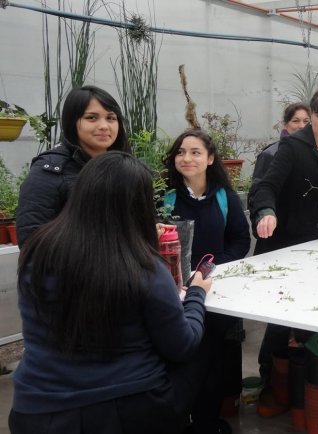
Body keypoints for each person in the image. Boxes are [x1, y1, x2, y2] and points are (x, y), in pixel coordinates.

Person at [10, 151, 212, 434]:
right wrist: (196, 295)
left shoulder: (38, 251)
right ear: (138, 206)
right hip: (126, 411)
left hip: (36, 410)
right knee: (203, 338)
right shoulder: (142, 265)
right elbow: (182, 345)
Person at [250, 87, 318, 417]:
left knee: (316, 318)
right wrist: (266, 211)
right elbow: (266, 185)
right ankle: (273, 382)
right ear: (313, 114)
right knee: (283, 318)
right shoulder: (293, 147)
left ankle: (308, 392)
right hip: (290, 247)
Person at [162, 129, 250, 433]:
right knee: (181, 362)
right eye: (181, 152)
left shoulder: (225, 197)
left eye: (196, 152)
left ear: (210, 159)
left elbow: (240, 239)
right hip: (174, 295)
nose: (187, 158)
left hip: (213, 292)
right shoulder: (166, 198)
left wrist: (212, 269)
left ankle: (206, 422)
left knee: (212, 363)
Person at [16, 85, 131, 246]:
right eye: (92, 118)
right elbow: (32, 240)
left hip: (124, 267)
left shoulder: (124, 166)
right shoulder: (50, 171)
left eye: (111, 118)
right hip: (73, 269)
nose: (104, 126)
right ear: (71, 121)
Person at [248, 103, 310, 216]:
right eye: (295, 121)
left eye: (306, 121)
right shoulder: (270, 154)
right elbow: (256, 196)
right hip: (280, 227)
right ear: (285, 124)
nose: (302, 126)